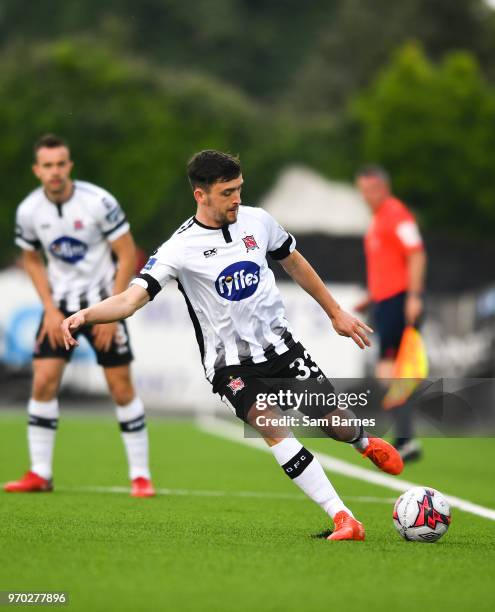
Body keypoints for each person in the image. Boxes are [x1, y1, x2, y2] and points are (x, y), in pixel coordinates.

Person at [61, 150, 404, 541]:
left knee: (337, 426)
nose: (236, 199)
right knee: (271, 424)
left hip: (281, 349)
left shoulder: (259, 221)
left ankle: (361, 441)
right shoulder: (179, 248)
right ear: (200, 195)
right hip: (230, 366)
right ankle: (344, 517)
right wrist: (86, 315)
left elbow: (294, 263)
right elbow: (130, 300)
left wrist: (335, 312)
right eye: (227, 193)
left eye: (239, 189)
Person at [4, 134, 155, 497]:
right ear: (37, 170)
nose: (55, 171)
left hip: (102, 307)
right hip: (59, 309)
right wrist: (50, 308)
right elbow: (30, 257)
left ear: (69, 166)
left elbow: (126, 252)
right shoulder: (28, 210)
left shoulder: (98, 202)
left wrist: (113, 314)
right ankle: (40, 473)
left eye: (60, 164)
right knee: (43, 383)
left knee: (120, 388)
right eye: (48, 165)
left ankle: (140, 475)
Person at [355, 165, 427, 462]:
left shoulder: (396, 213)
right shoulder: (378, 220)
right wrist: (371, 298)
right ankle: (404, 436)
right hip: (384, 301)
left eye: (373, 190)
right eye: (364, 191)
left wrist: (414, 296)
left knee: (394, 370)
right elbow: (388, 264)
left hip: (399, 301)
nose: (368, 196)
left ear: (384, 187)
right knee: (391, 371)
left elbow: (416, 254)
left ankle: (406, 438)